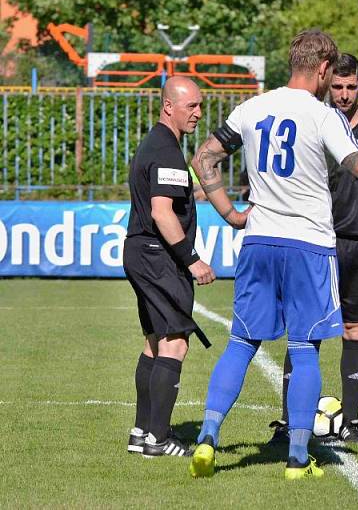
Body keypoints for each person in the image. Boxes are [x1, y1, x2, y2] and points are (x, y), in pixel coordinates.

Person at [188, 29, 358, 480]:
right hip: (308, 244)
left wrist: (231, 214)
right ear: (325, 69)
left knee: (242, 341)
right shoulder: (322, 115)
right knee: (304, 348)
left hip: (259, 240)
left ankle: (208, 438)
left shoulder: (252, 107)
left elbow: (204, 158)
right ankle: (296, 458)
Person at [269, 53, 358, 445]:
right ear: (328, 83)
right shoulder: (314, 125)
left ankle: (350, 420)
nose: (344, 94)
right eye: (338, 87)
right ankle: (288, 421)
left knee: (356, 329)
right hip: (316, 241)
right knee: (303, 331)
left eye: (351, 87)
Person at [123, 76, 216, 459]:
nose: (198, 113)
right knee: (175, 343)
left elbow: (167, 197)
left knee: (155, 342)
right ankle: (157, 440)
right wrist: (192, 260)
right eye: (190, 106)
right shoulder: (165, 149)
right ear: (168, 106)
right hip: (157, 256)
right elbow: (162, 212)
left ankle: (142, 431)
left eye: (199, 105)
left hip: (142, 252)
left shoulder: (159, 145)